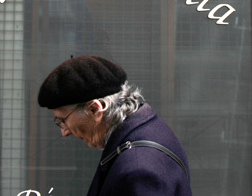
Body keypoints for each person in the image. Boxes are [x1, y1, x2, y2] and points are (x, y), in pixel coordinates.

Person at [38, 55, 192, 196]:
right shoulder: (150, 128)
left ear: (94, 109)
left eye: (62, 120)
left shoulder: (138, 170)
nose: (64, 132)